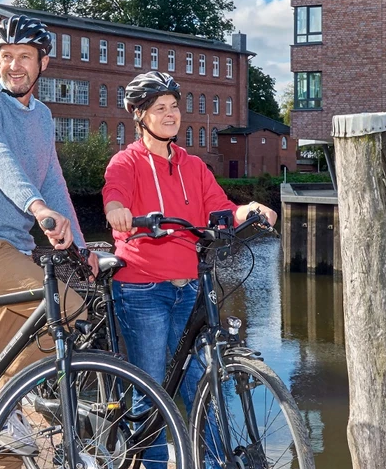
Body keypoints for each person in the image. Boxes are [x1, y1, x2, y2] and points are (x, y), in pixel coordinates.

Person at [101, 71, 278, 465]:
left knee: (201, 384)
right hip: (142, 290)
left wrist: (250, 209)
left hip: (189, 290)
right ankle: (153, 462)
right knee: (150, 387)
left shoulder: (193, 166)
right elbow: (114, 196)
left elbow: (221, 209)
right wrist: (119, 213)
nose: (170, 115)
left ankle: (214, 462)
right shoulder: (125, 162)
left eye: (174, 107)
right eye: (159, 108)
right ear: (140, 116)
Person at [0, 14, 94, 457]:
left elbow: (53, 183)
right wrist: (37, 208)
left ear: (42, 63)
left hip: (17, 247)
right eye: (6, 56)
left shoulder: (43, 117)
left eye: (24, 56)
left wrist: (82, 249)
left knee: (3, 359)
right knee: (67, 307)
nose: (13, 65)